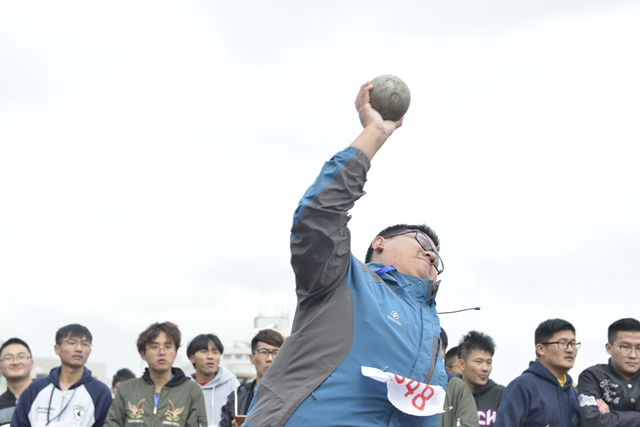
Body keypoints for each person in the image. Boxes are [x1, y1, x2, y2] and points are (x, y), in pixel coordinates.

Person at [245, 81, 448, 427]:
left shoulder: (433, 333)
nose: (431, 256)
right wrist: (374, 133)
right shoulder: (341, 279)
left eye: (437, 258)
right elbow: (318, 216)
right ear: (380, 243)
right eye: (423, 243)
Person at [105, 321, 207, 427]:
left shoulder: (191, 391)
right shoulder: (127, 389)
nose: (162, 352)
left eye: (168, 347)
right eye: (154, 347)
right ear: (142, 354)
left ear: (175, 353)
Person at [11, 324, 112, 427]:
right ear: (57, 349)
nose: (79, 349)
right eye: (72, 343)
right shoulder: (36, 388)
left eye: (85, 344)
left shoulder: (100, 392)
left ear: (89, 351)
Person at [494, 318, 581, 427]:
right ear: (541, 349)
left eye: (573, 343)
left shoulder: (575, 393)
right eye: (562, 343)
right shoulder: (522, 387)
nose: (570, 349)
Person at [578, 317, 640, 426]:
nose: (633, 355)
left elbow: (603, 422)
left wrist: (610, 416)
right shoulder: (592, 376)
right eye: (625, 347)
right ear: (609, 348)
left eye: (639, 348)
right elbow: (592, 421)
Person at [220, 329, 285, 427]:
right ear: (252, 358)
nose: (270, 359)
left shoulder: (292, 394)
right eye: (263, 352)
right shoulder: (237, 397)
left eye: (276, 352)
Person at [186, 334, 239, 427]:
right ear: (192, 358)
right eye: (204, 351)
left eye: (215, 352)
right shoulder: (184, 387)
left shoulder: (232, 384)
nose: (210, 356)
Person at [457, 331, 504, 427]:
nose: (485, 368)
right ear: (461, 364)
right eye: (479, 362)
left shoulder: (502, 395)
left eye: (489, 362)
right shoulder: (447, 393)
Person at [438, 330, 479, 427]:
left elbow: (469, 423)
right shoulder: (403, 383)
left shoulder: (457, 387)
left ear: (444, 353)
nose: (434, 350)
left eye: (439, 347)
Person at [0, 338, 34, 427]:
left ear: (32, 363)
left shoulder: (47, 396)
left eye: (21, 357)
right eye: (8, 358)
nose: (15, 362)